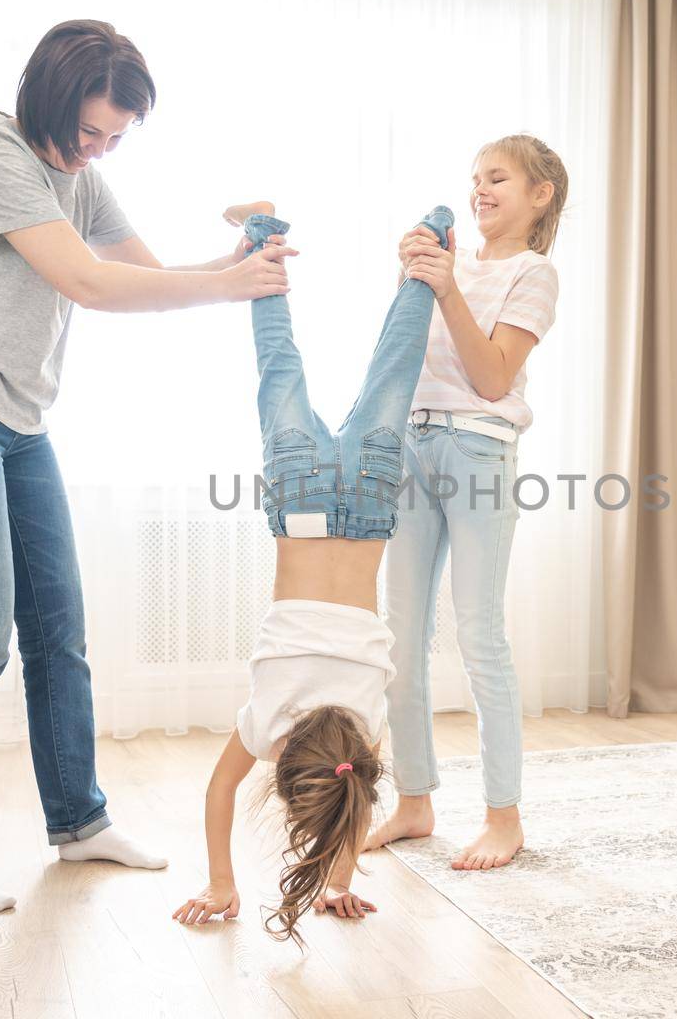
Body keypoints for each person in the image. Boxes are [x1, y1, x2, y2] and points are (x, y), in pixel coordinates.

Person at [0, 19, 293, 917]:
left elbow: (148, 274)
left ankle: (79, 821)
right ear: (47, 100)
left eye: (113, 139)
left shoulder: (78, 177)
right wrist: (227, 283)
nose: (95, 150)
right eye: (87, 131)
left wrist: (241, 263)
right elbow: (89, 285)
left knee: (58, 624)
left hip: (14, 418)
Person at [173, 202, 454, 943]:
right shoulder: (269, 727)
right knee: (279, 366)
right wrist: (223, 880)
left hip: (364, 504)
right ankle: (265, 237)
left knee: (395, 364)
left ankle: (430, 246)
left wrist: (335, 880)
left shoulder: (365, 732)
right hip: (299, 505)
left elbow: (350, 799)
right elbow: (219, 789)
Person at [367, 135, 567, 870]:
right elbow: (403, 352)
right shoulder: (453, 265)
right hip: (413, 443)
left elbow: (490, 379)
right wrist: (416, 280)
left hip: (478, 448)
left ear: (539, 194)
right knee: (402, 636)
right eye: (476, 178)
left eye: (498, 179)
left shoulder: (534, 274)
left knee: (479, 633)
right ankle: (414, 803)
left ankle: (503, 819)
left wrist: (446, 287)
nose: (481, 189)